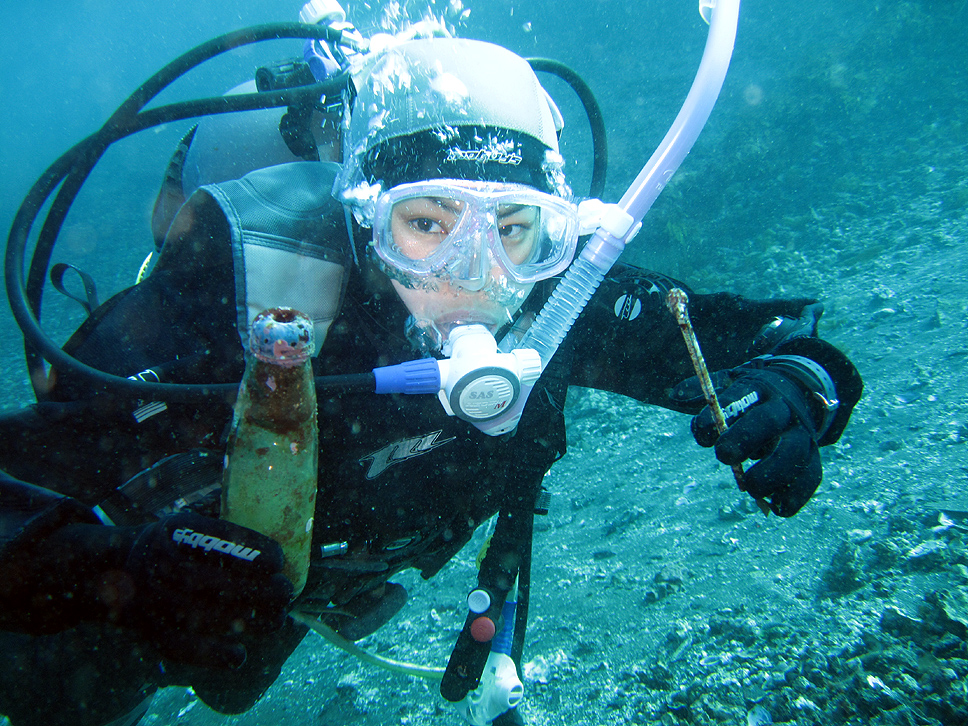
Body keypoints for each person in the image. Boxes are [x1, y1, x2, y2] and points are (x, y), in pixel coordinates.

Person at [0, 20, 862, 726]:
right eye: (426, 223)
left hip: (323, 585)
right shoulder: (237, 284)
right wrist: (121, 571)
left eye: (514, 228)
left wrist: (801, 383)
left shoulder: (550, 300)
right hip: (158, 584)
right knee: (62, 690)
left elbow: (769, 333)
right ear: (363, 221)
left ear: (552, 230)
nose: (473, 274)